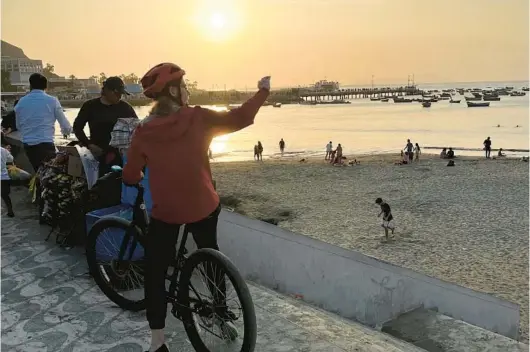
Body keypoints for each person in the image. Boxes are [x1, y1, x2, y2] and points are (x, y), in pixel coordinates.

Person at [122, 62, 270, 352]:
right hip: (204, 204)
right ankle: (219, 308)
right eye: (185, 87)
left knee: (155, 271)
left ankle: (157, 342)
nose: (188, 92)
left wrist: (134, 175)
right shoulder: (199, 118)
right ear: (175, 91)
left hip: (167, 211)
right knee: (210, 254)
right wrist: (262, 91)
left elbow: (130, 174)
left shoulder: (143, 130)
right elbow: (241, 117)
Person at [73, 76, 138, 176]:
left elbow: (137, 130)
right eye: (117, 93)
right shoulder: (90, 106)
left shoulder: (125, 108)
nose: (120, 96)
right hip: (96, 152)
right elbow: (77, 127)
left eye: (121, 94)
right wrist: (89, 144)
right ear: (107, 91)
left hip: (119, 154)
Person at [15, 73, 72, 172]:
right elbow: (65, 125)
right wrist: (66, 132)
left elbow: (18, 126)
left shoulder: (21, 102)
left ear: (30, 85)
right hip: (45, 144)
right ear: (46, 86)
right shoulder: (52, 101)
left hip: (28, 145)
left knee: (38, 171)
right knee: (49, 174)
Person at [1, 145, 15, 217]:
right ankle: (10, 211)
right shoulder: (4, 150)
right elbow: (11, 159)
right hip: (3, 177)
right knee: (5, 196)